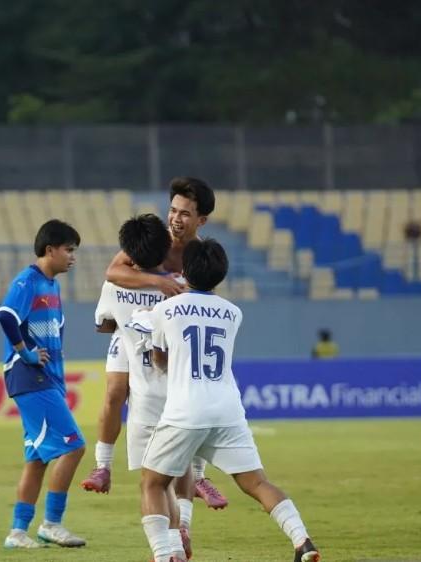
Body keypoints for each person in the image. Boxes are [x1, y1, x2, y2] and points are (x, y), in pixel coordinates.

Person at [140, 239, 320, 562]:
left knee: (153, 483)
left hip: (186, 409)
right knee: (257, 483)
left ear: (184, 271)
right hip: (227, 410)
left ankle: (166, 555)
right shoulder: (233, 313)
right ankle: (302, 540)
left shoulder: (164, 310)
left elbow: (160, 360)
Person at [82, 177, 229, 511]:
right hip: (131, 331)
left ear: (201, 220)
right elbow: (113, 271)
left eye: (185, 214)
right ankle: (103, 465)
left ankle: (198, 475)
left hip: (172, 335)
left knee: (185, 404)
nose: (176, 219)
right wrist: (158, 282)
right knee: (115, 390)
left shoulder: (198, 253)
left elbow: (206, 297)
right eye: (173, 210)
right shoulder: (157, 241)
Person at [93, 214, 196, 560]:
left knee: (153, 484)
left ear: (130, 255)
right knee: (169, 477)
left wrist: (128, 324)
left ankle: (166, 553)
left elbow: (103, 324)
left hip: (146, 400)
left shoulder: (116, 286)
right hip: (183, 394)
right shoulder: (183, 285)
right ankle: (178, 541)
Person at [0, 219, 87, 549]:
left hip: (47, 379)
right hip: (30, 376)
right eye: (69, 250)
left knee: (36, 459)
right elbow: (6, 315)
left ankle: (17, 532)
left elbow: (55, 332)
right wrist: (26, 353)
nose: (72, 256)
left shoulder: (52, 285)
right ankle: (52, 523)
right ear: (50, 250)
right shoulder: (28, 282)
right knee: (75, 446)